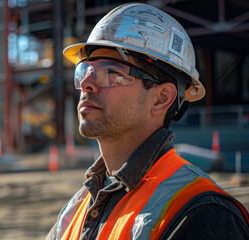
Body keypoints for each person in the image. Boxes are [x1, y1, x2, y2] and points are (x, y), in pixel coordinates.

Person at [46, 3, 249, 240]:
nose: (86, 84)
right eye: (84, 70)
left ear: (161, 99)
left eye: (112, 73)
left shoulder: (203, 213)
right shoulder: (77, 208)